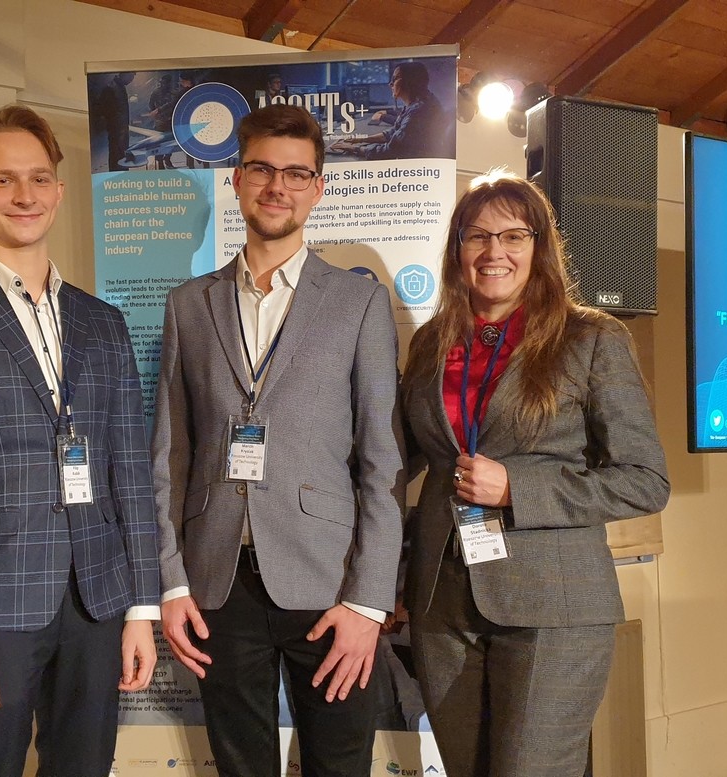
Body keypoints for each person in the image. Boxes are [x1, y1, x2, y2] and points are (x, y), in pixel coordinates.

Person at [151, 104, 405, 777]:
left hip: (330, 583)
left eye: (296, 174)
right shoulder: (188, 304)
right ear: (237, 179)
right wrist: (171, 583)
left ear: (317, 188)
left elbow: (382, 461)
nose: (277, 187)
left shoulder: (358, 303)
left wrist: (368, 602)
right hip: (217, 583)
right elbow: (171, 454)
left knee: (339, 766)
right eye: (262, 169)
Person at [397, 170, 670, 776]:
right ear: (457, 250)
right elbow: (393, 460)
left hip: (555, 608)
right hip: (443, 605)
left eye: (513, 236)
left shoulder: (591, 338)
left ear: (539, 247)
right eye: (477, 236)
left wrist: (518, 488)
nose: (493, 251)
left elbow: (646, 480)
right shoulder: (431, 343)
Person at [0, 104, 161, 777]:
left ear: (59, 190)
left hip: (97, 597)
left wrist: (140, 608)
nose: (23, 195)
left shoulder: (103, 321)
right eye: (2, 180)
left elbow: (130, 469)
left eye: (37, 178)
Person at [333, 61, 448, 160]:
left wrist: (352, 148)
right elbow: (394, 133)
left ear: (409, 82)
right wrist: (360, 139)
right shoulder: (418, 103)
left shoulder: (418, 111)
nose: (390, 84)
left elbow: (389, 151)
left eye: (395, 79)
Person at [92, 72, 134, 172]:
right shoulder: (111, 88)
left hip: (121, 130)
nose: (131, 80)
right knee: (116, 157)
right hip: (116, 131)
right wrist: (113, 120)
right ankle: (116, 176)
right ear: (125, 74)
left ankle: (122, 175)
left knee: (122, 156)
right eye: (131, 76)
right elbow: (100, 109)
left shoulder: (119, 87)